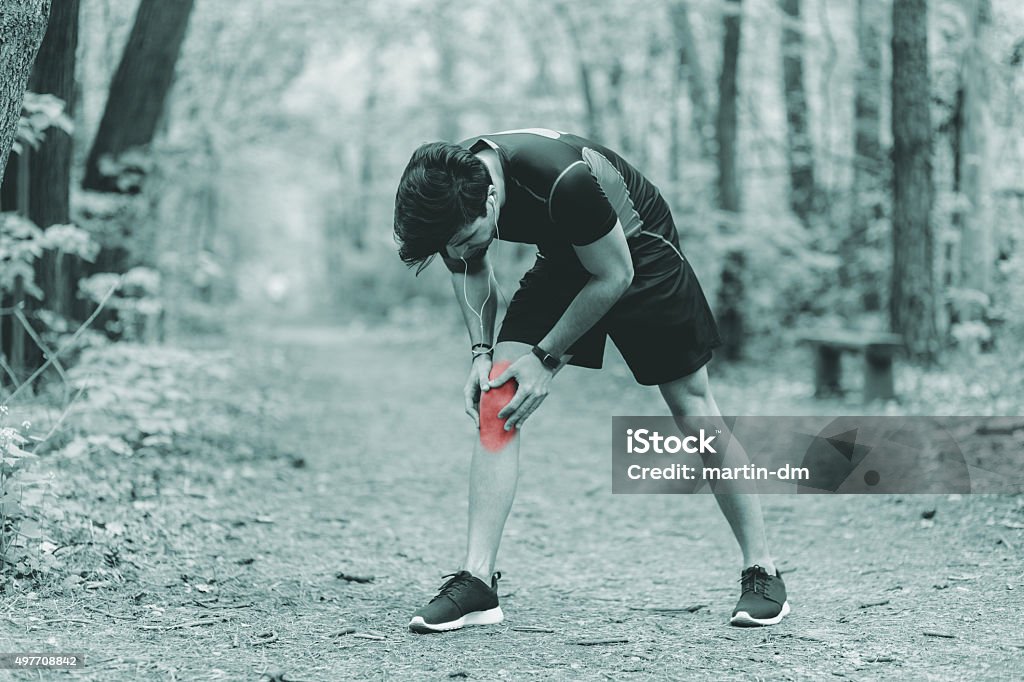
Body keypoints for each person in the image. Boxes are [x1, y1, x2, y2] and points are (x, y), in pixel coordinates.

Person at [392, 128, 788, 633]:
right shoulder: (449, 195)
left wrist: (545, 357)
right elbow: (469, 267)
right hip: (565, 259)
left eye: (469, 237)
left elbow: (614, 275)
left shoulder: (562, 180)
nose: (462, 249)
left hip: (638, 254)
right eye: (451, 245)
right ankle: (476, 581)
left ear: (492, 196)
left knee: (691, 405)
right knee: (498, 397)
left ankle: (763, 570)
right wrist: (481, 353)